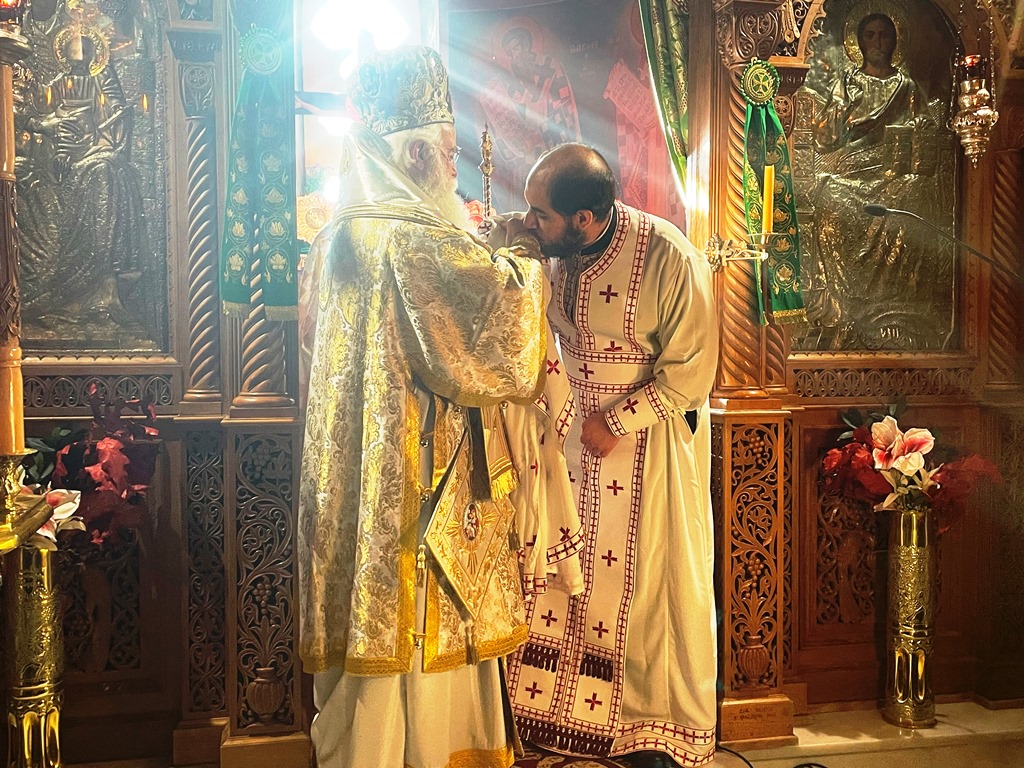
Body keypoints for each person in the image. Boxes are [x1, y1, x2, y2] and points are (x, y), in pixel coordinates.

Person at [297, 46, 579, 768]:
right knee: (420, 658)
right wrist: (522, 258)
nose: (454, 168)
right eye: (448, 153)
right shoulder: (411, 237)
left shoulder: (338, 232)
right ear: (417, 153)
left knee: (367, 662)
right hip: (417, 496)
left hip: (360, 489)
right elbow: (499, 332)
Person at [505, 145, 719, 767]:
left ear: (585, 219)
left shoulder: (669, 257)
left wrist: (619, 419)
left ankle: (646, 731)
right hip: (567, 445)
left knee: (649, 590)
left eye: (541, 214)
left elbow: (692, 372)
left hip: (646, 451)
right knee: (564, 576)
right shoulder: (552, 248)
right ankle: (553, 720)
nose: (531, 223)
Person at [797, 12, 955, 351]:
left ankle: (894, 309)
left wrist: (921, 127)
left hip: (891, 172)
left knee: (913, 193)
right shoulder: (847, 83)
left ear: (895, 41)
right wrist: (846, 106)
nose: (877, 42)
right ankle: (844, 309)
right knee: (830, 197)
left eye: (884, 35)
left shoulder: (905, 86)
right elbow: (824, 138)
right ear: (859, 41)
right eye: (870, 35)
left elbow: (925, 128)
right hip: (851, 170)